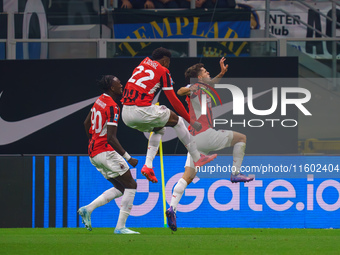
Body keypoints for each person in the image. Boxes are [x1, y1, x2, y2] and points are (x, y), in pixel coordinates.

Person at [165, 58, 254, 231]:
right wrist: (191, 87)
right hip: (205, 134)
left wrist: (221, 73)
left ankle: (172, 208)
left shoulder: (204, 87)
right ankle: (235, 173)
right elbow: (180, 91)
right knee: (241, 138)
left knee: (187, 177)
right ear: (198, 77)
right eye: (205, 71)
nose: (208, 73)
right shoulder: (197, 88)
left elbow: (211, 82)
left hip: (194, 141)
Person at [121, 47, 217, 183]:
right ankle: (197, 157)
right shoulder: (163, 70)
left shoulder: (142, 63)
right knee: (177, 120)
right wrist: (191, 121)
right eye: (169, 62)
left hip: (125, 113)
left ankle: (148, 165)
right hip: (141, 110)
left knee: (160, 127)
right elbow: (174, 100)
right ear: (165, 61)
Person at [78, 75, 140, 234]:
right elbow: (111, 138)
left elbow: (86, 123)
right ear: (112, 87)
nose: (122, 85)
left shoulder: (99, 100)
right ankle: (120, 227)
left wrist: (93, 141)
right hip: (105, 151)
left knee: (121, 187)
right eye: (119, 83)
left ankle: (88, 209)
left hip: (93, 153)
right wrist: (128, 158)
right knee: (131, 185)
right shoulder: (112, 106)